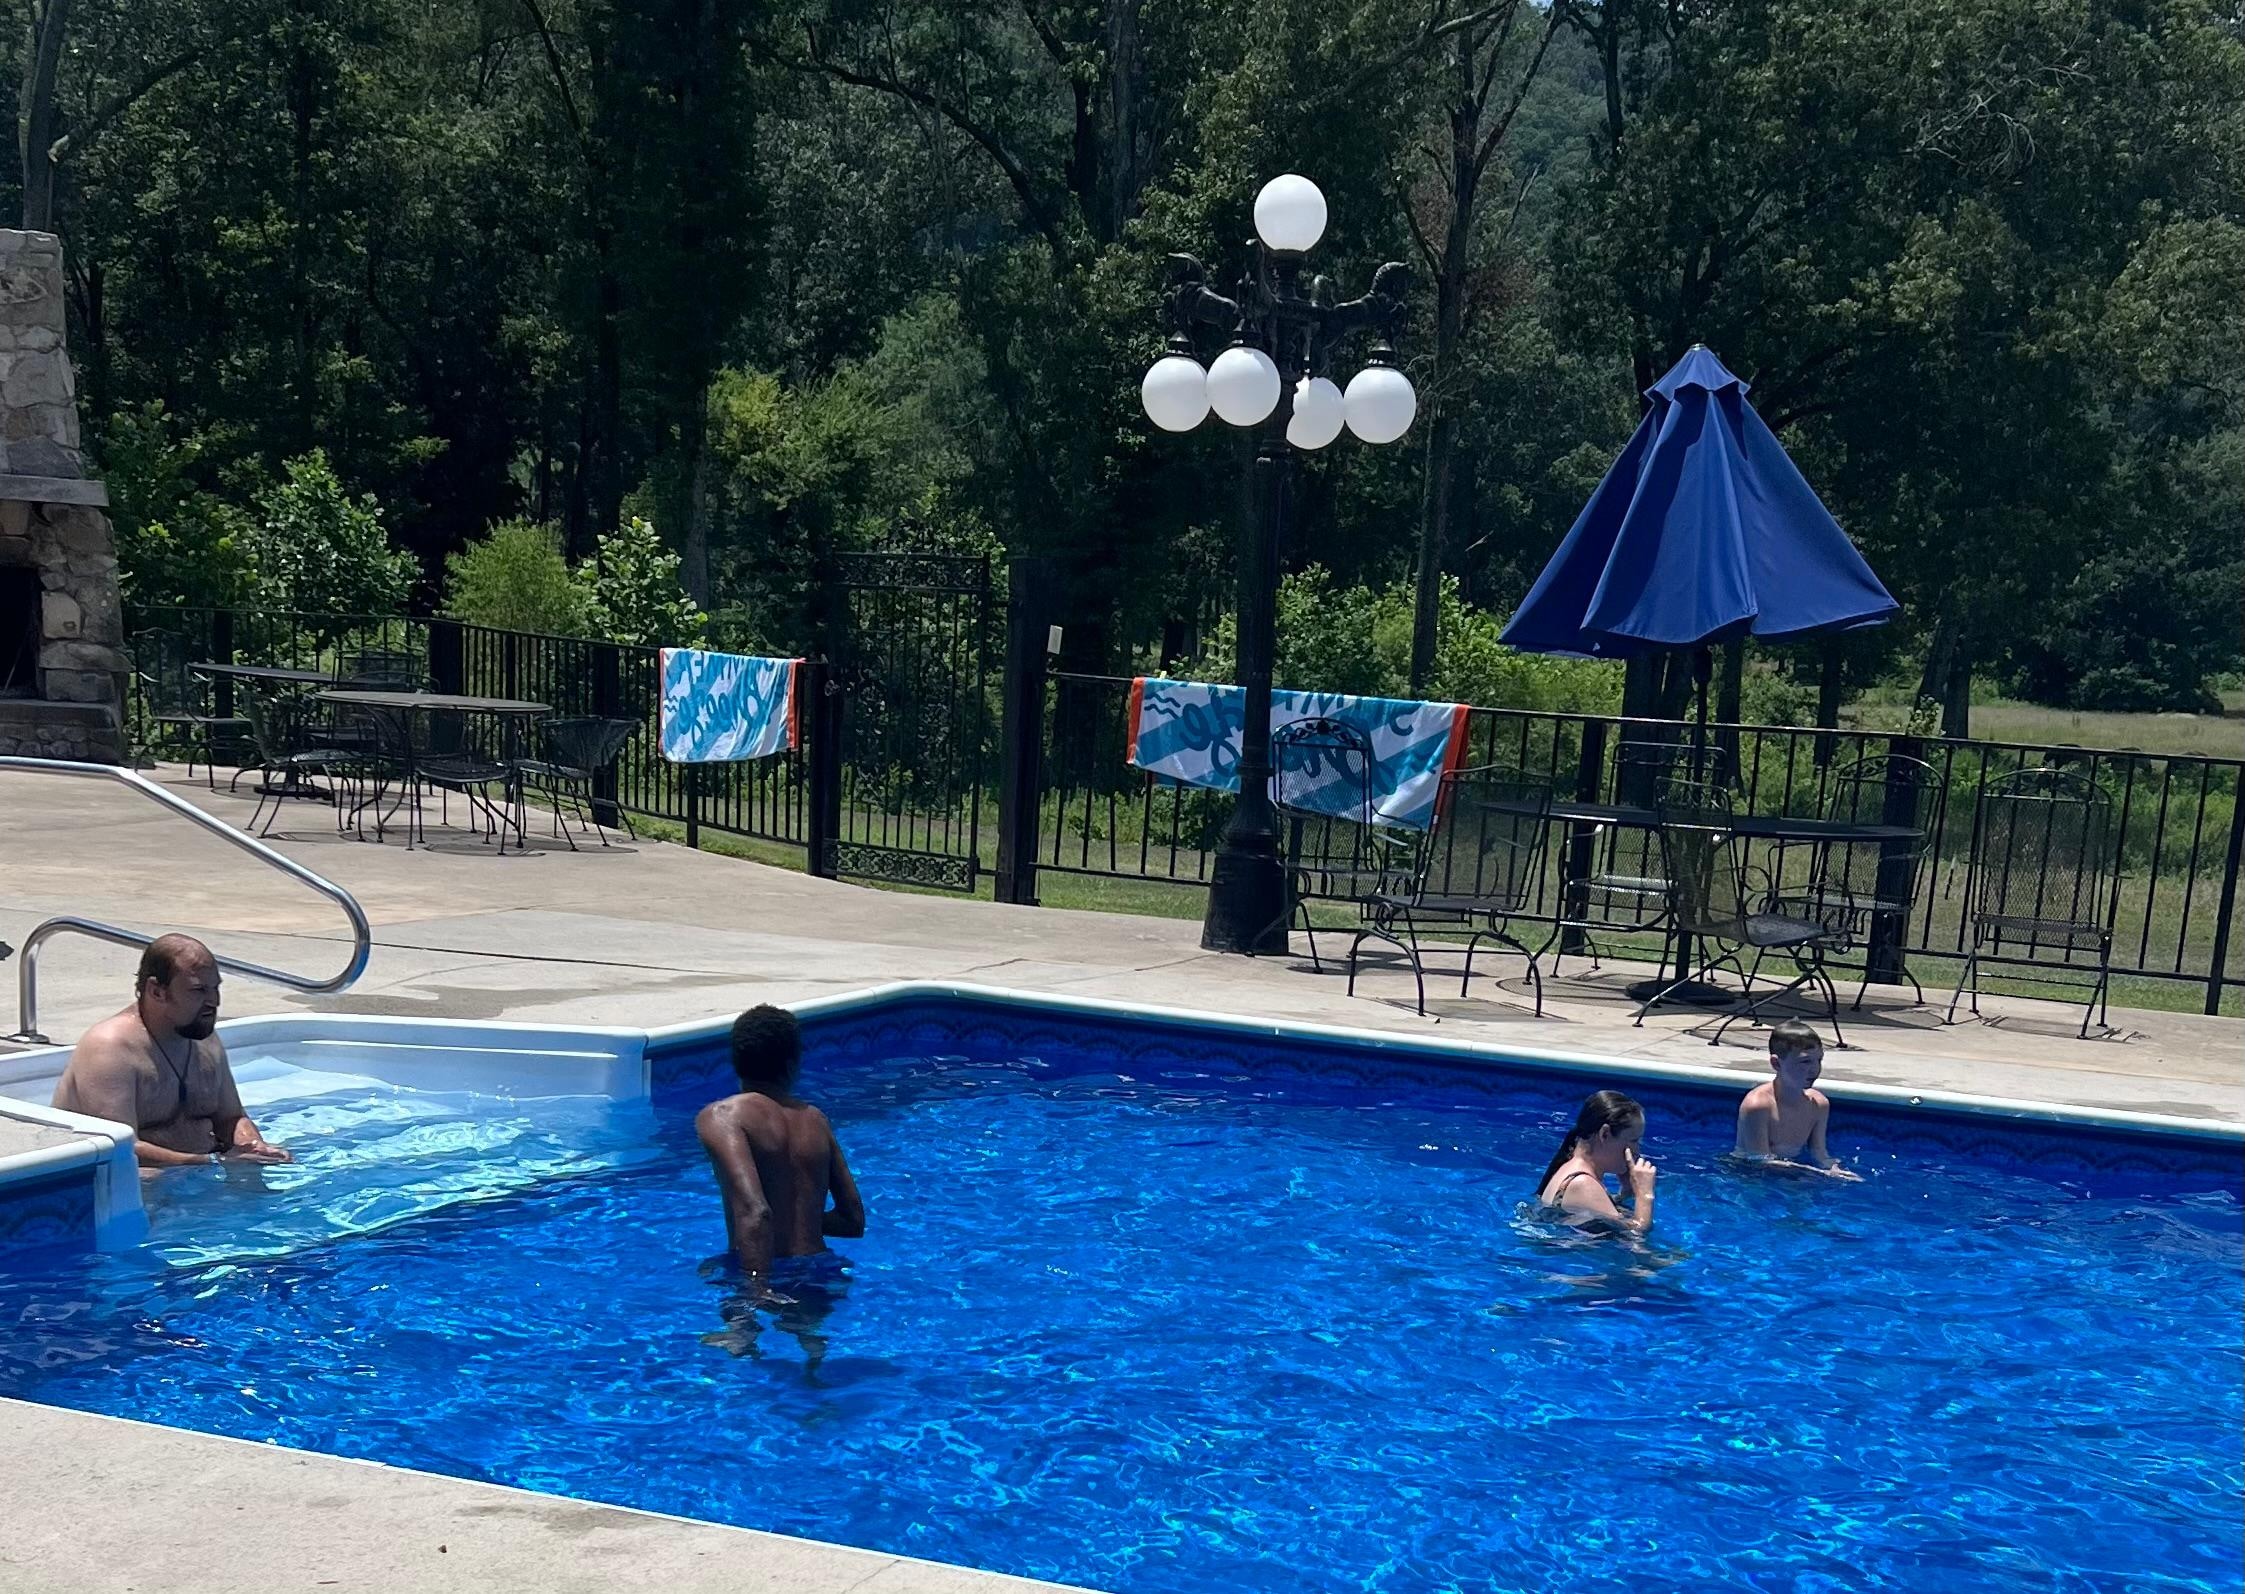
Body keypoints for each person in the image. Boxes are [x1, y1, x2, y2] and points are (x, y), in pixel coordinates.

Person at [51, 934, 291, 1170]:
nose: (214, 1001)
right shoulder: (109, 1047)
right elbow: (119, 1147)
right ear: (157, 991)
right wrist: (213, 1163)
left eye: (215, 988)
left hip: (199, 1169)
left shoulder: (203, 1036)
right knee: (146, 1177)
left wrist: (254, 1147)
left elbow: (232, 1117)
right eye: (198, 990)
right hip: (137, 1179)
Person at [695, 1004, 864, 1281]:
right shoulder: (815, 1119)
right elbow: (852, 1220)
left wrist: (755, 1291)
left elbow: (755, 1212)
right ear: (792, 1064)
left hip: (765, 1269)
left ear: (736, 1061)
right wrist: (802, 1221)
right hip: (821, 1270)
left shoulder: (722, 1116)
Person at [1733, 1019, 1858, 1179]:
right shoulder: (1758, 1106)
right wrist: (1813, 1171)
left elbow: (1819, 1152)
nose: (1815, 1069)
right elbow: (1758, 1159)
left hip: (1789, 1173)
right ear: (1776, 1064)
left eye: (1819, 1060)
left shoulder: (1818, 1104)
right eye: (1805, 1061)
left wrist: (1834, 1168)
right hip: (1748, 1175)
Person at [1534, 1089, 1657, 1234]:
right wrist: (1645, 1195)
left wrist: (1627, 1193)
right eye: (1634, 1141)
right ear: (1605, 1134)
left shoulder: (1570, 1169)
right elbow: (1636, 1236)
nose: (1637, 1151)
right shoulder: (1582, 1184)